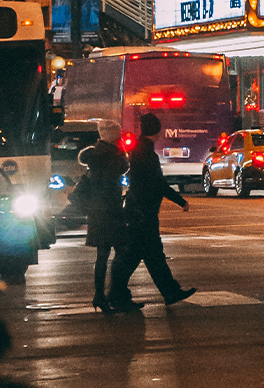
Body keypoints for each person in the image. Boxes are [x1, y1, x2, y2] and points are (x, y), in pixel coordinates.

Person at [107, 113, 196, 311]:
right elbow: (158, 184)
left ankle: (168, 291)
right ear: (156, 130)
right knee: (138, 256)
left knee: (150, 255)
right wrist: (180, 201)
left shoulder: (139, 150)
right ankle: (118, 295)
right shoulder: (146, 153)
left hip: (138, 212)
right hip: (144, 214)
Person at [75, 120, 129, 314]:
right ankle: (115, 293)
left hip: (97, 212)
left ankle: (100, 295)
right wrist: (121, 149)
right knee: (123, 252)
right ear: (115, 136)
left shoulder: (94, 156)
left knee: (102, 255)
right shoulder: (114, 157)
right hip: (111, 212)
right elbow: (125, 167)